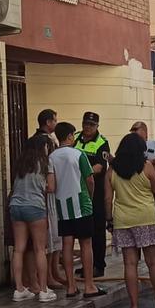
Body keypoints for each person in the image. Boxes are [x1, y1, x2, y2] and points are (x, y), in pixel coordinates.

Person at [105, 133, 155, 308]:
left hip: (123, 220)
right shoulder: (146, 167)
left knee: (130, 264)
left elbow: (108, 198)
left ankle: (134, 306)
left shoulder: (112, 170)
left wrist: (109, 219)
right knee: (154, 263)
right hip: (147, 219)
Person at [52, 121, 107, 298]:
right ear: (69, 136)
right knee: (86, 243)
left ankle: (71, 286)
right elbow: (90, 179)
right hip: (81, 203)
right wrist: (90, 197)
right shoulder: (78, 154)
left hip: (62, 205)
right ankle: (89, 286)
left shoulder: (51, 157)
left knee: (67, 245)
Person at [9, 135, 57, 303]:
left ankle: (19, 289)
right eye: (47, 146)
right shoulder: (45, 162)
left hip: (16, 206)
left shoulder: (20, 163)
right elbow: (51, 187)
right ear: (42, 147)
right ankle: (43, 290)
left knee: (19, 249)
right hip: (35, 207)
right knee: (39, 249)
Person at [74, 112, 111, 279]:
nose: (87, 127)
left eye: (91, 125)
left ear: (97, 126)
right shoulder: (75, 137)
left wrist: (82, 172)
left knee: (97, 230)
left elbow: (99, 167)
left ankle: (98, 265)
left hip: (95, 192)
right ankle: (87, 265)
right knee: (83, 230)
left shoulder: (102, 142)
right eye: (85, 124)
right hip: (77, 190)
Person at [34, 109, 66, 289]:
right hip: (45, 191)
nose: (56, 123)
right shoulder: (44, 141)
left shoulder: (41, 140)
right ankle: (48, 276)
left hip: (47, 191)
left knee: (55, 236)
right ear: (48, 122)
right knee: (50, 237)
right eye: (54, 120)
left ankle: (54, 271)